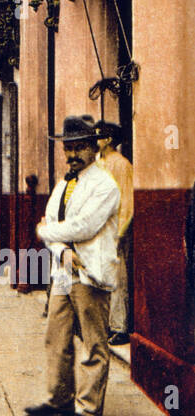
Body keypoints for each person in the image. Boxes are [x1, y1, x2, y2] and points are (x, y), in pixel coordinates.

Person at [25, 115, 120, 416]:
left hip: (89, 271)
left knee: (93, 342)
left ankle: (89, 409)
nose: (72, 155)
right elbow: (50, 224)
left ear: (93, 148)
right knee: (57, 337)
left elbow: (84, 227)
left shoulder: (105, 185)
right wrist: (60, 248)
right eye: (68, 149)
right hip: (64, 271)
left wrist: (47, 232)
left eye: (79, 148)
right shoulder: (64, 183)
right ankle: (59, 400)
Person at [95, 120, 133, 346]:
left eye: (99, 137)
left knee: (118, 279)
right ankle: (106, 324)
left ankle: (120, 327)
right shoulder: (100, 164)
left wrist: (119, 232)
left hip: (115, 232)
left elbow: (127, 201)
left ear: (108, 140)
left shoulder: (121, 165)